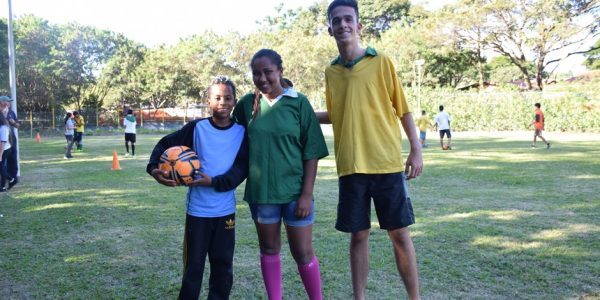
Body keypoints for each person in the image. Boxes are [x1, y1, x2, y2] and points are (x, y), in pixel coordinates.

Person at [316, 1, 423, 299]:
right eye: (336, 21)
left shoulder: (381, 61)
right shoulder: (331, 71)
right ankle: (359, 297)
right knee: (358, 235)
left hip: (386, 163)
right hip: (351, 166)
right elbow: (337, 113)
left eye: (348, 19)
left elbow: (402, 108)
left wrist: (416, 148)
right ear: (330, 29)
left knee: (399, 234)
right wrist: (297, 112)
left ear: (359, 25)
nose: (342, 25)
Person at [232, 49, 328, 300]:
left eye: (268, 72)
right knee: (269, 249)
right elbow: (228, 135)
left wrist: (307, 194)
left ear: (280, 72)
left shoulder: (299, 102)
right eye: (256, 73)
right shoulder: (246, 105)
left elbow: (312, 151)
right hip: (262, 194)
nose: (262, 78)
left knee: (303, 253)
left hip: (296, 194)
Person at [146, 76, 247, 300]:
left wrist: (213, 181)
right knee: (193, 268)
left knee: (223, 267)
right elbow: (164, 144)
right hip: (198, 212)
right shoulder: (196, 128)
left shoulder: (241, 132)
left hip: (225, 213)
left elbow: (241, 169)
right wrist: (155, 170)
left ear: (234, 101)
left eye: (228, 98)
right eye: (217, 97)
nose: (223, 102)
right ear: (208, 101)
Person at [0, 95, 18, 189]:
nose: (9, 103)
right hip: (4, 141)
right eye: (8, 101)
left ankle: (12, 178)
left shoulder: (11, 112)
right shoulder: (2, 112)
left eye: (10, 101)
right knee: (2, 164)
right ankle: (7, 181)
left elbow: (17, 125)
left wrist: (13, 122)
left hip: (9, 141)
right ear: (2, 102)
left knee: (11, 160)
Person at [0, 108, 12, 193]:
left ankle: (3, 187)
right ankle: (10, 178)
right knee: (1, 168)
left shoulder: (3, 128)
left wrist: (0, 155)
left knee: (2, 168)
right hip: (3, 149)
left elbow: (3, 143)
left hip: (4, 150)